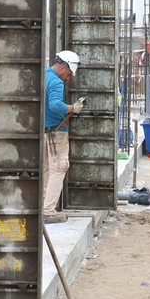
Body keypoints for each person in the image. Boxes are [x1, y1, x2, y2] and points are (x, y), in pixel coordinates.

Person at [43, 51, 83, 222]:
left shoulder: (44, 75)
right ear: (62, 67)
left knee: (47, 170)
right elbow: (55, 105)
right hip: (56, 132)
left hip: (45, 131)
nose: (68, 77)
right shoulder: (56, 81)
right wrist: (72, 108)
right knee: (59, 168)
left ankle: (43, 206)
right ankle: (48, 211)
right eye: (68, 73)